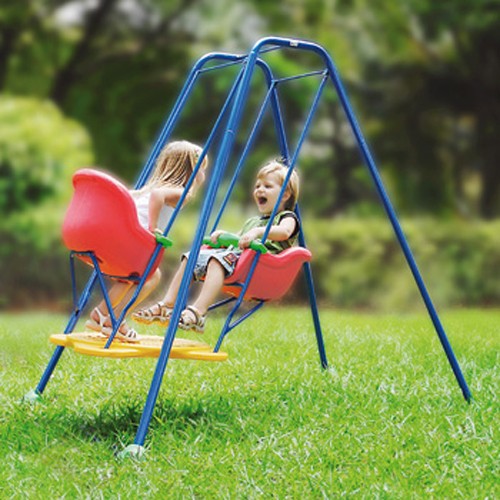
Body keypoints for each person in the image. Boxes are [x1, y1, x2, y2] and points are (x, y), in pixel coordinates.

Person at [132, 160, 300, 333]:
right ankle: (167, 305)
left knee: (216, 261)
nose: (259, 190)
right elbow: (238, 240)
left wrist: (258, 232)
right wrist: (224, 236)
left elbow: (285, 232)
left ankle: (198, 312)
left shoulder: (287, 217)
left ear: (285, 194)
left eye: (267, 186)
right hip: (238, 262)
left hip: (259, 269)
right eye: (257, 186)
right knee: (191, 257)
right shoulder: (254, 221)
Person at [85, 140, 208, 342]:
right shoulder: (182, 193)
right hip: (132, 242)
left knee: (134, 276)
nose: (204, 175)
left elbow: (126, 197)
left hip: (114, 241)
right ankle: (115, 319)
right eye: (202, 169)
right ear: (191, 171)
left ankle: (101, 313)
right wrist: (152, 227)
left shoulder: (146, 190)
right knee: (151, 276)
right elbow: (158, 196)